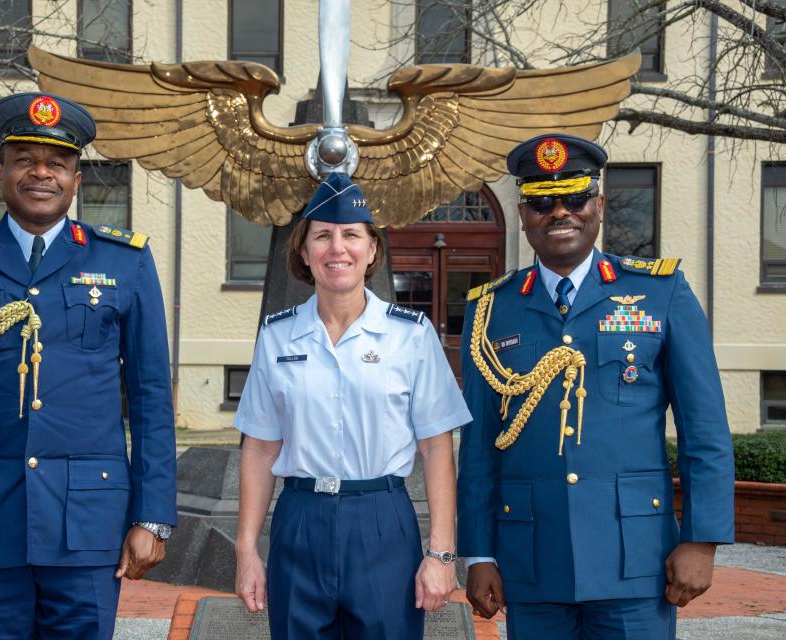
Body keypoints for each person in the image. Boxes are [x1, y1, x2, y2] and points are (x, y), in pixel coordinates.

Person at [0, 92, 177, 639]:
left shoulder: (125, 262)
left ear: (76, 180)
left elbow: (149, 402)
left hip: (88, 527)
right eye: (25, 160)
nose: (41, 173)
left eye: (58, 163)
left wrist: (152, 516)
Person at [457, 133, 735, 639]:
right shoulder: (490, 309)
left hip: (635, 559)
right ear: (523, 214)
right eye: (542, 202)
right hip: (531, 559)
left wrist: (702, 539)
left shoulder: (659, 292)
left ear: (599, 205)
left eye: (576, 197)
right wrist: (479, 552)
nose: (560, 212)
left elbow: (705, 429)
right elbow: (478, 448)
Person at [232, 172, 471, 640]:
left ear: (373, 249)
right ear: (303, 252)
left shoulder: (411, 334)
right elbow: (259, 449)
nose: (336, 248)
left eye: (350, 235)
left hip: (382, 519)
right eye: (322, 235)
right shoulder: (277, 335)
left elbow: (437, 447)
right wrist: (245, 550)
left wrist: (441, 554)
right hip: (299, 520)